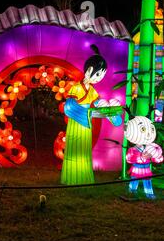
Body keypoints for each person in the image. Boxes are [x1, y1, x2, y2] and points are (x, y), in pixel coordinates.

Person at [61, 44, 122, 185]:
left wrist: (110, 112)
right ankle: (71, 178)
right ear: (89, 70)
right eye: (99, 74)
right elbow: (69, 107)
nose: (99, 79)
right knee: (75, 148)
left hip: (86, 126)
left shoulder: (93, 91)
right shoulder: (76, 88)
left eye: (102, 76)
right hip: (77, 124)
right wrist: (89, 113)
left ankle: (83, 178)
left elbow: (100, 104)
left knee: (84, 151)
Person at [125, 116, 163, 199]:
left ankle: (149, 194)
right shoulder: (132, 149)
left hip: (146, 170)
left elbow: (153, 158)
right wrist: (141, 157)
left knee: (147, 182)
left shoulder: (149, 148)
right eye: (143, 129)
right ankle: (132, 191)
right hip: (136, 169)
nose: (148, 134)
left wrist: (158, 157)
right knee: (134, 181)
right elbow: (128, 159)